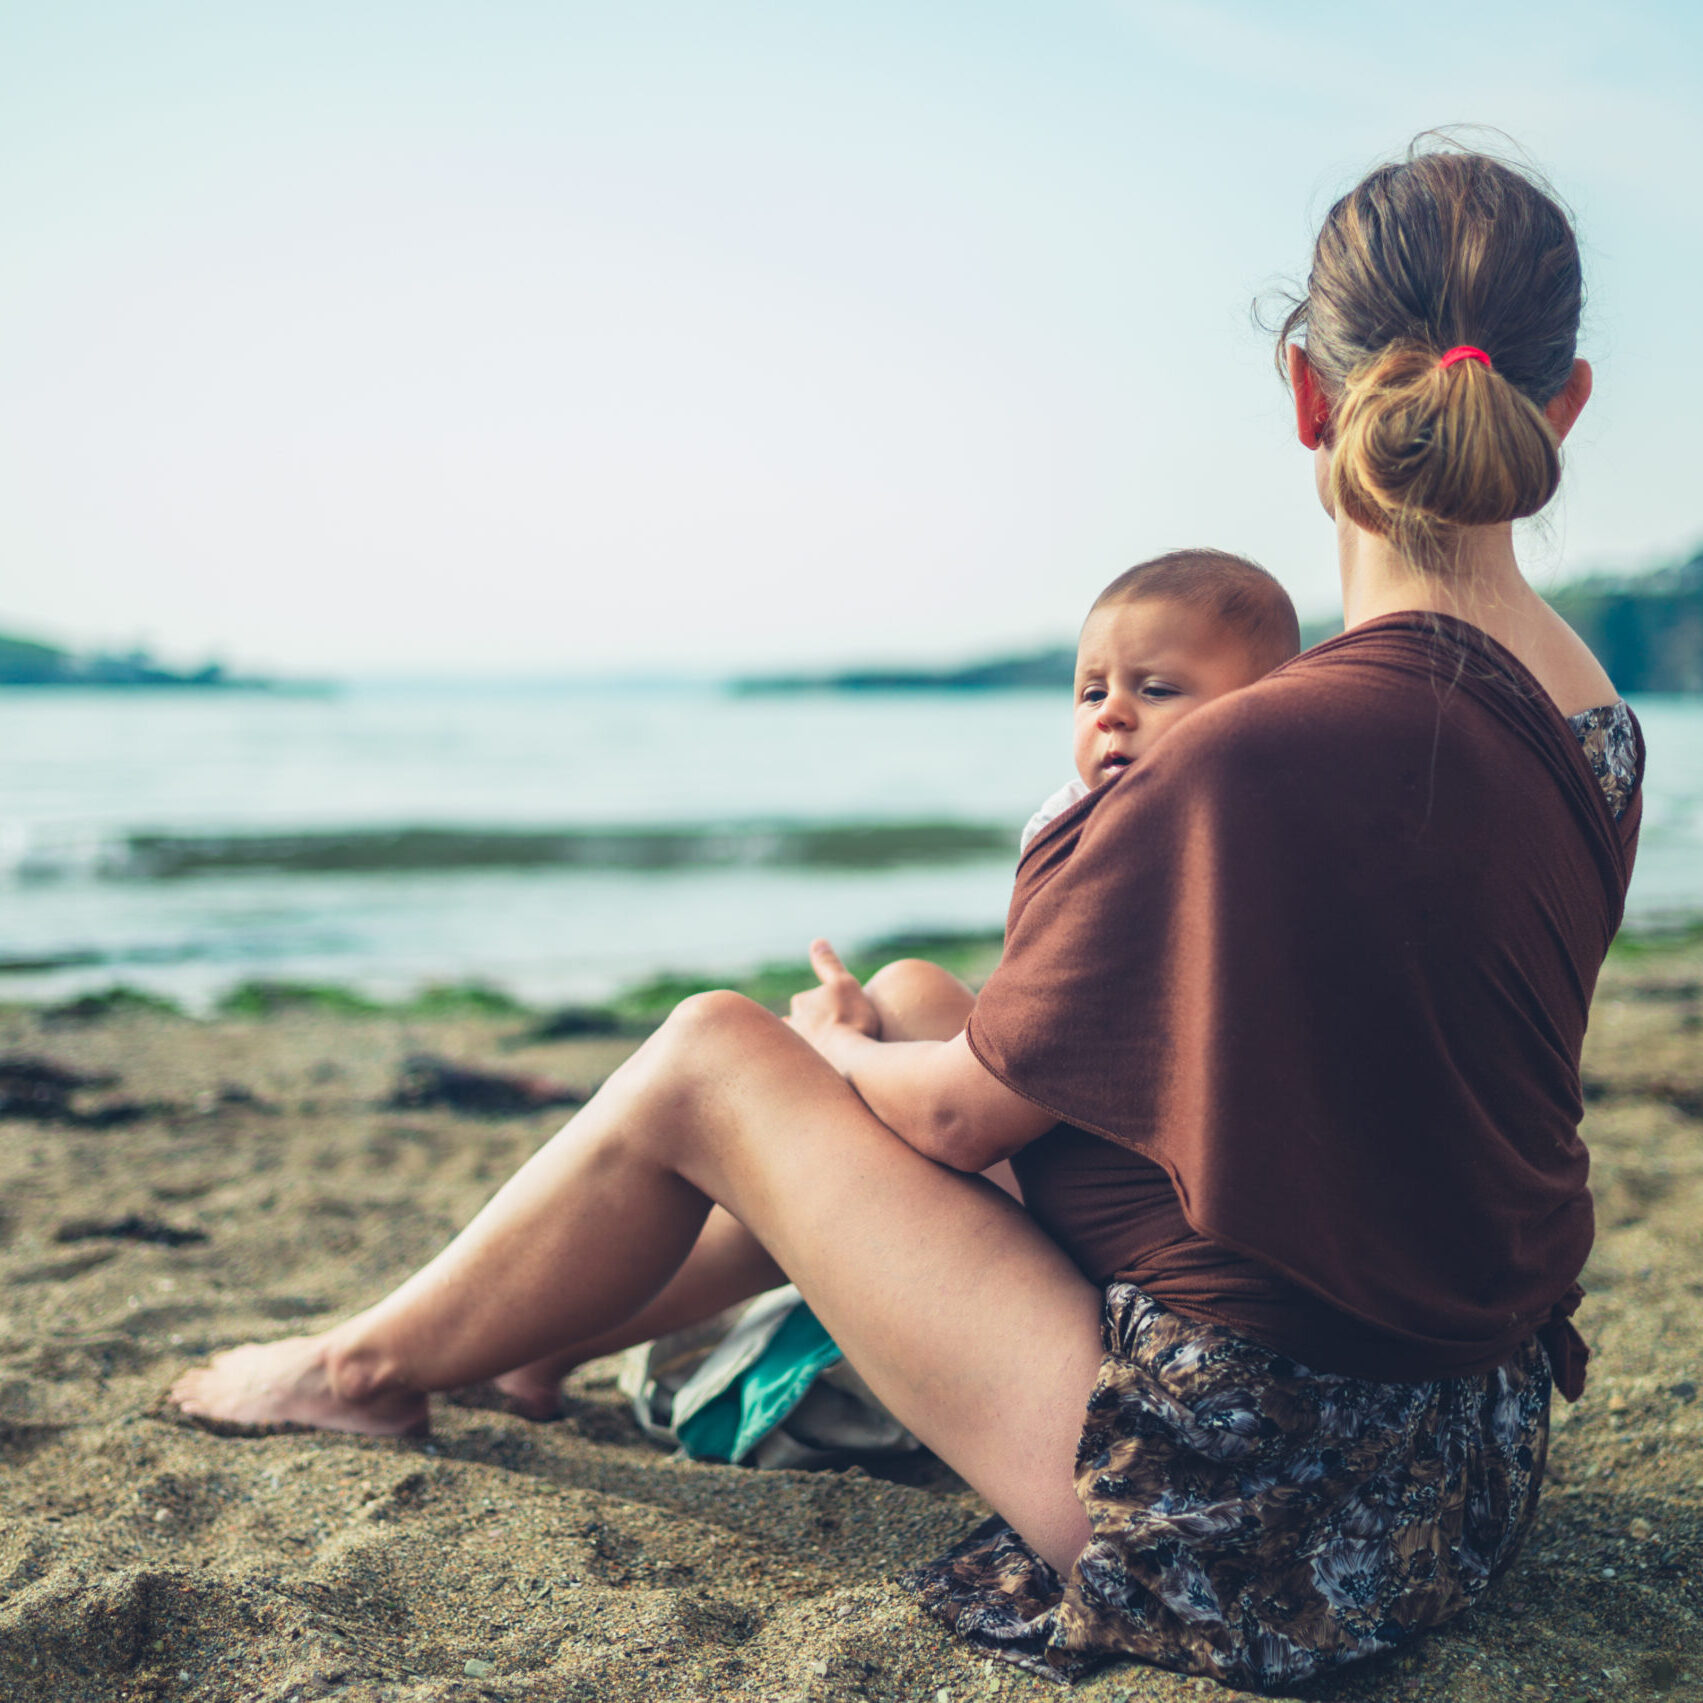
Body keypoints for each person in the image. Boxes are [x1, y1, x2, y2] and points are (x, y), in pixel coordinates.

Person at [169, 138, 1642, 1692]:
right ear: (1562, 404)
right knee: (931, 991)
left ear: (1302, 393)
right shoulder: (1593, 728)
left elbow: (941, 1127)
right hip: (1460, 1461)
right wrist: (898, 1035)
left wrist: (823, 1054)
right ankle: (535, 1332)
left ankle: (360, 1365)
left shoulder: (1250, 750)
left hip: (1250, 1502)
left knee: (712, 1055)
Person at [463, 546, 1301, 1427]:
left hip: (1160, 1294)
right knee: (908, 992)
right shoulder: (1157, 828)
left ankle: (509, 1342)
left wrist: (836, 1047)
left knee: (803, 1103)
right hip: (1133, 1209)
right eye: (1091, 692)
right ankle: (550, 1339)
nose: (1112, 716)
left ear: (1263, 708)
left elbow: (962, 1118)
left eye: (1157, 690)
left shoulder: (1178, 851)